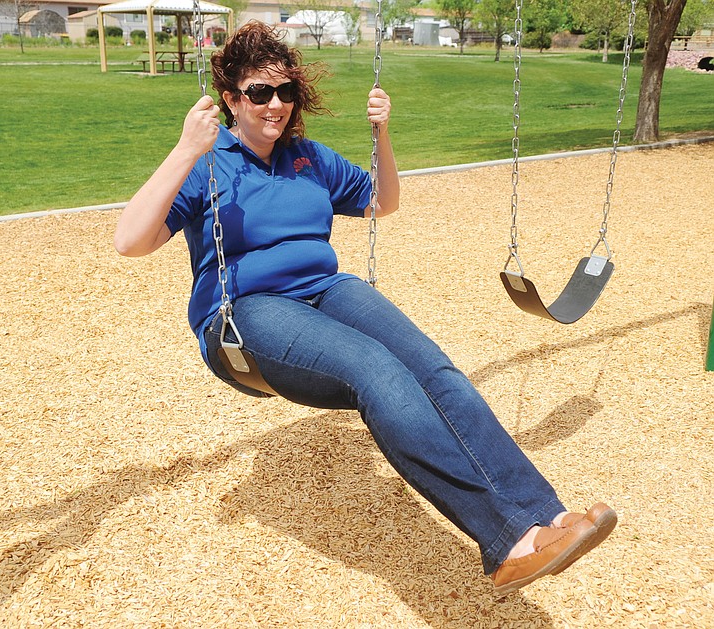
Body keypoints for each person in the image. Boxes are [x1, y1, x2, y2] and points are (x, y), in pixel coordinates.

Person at [114, 21, 617, 597]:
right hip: (247, 313)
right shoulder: (207, 162)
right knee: (374, 368)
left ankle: (545, 516)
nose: (274, 105)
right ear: (231, 98)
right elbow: (130, 241)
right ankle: (507, 540)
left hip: (327, 290)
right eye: (258, 93)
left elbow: (382, 201)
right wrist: (186, 148)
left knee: (435, 370)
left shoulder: (307, 157)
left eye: (285, 92)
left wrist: (382, 133)